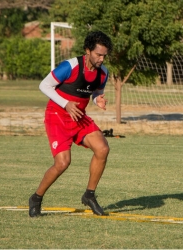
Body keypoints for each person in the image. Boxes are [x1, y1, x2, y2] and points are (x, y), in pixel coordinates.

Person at [29, 31, 113, 217]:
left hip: (78, 116)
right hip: (57, 116)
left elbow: (96, 91)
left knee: (102, 149)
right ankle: (36, 197)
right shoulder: (71, 66)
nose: (101, 59)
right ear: (87, 50)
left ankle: (89, 195)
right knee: (63, 163)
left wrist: (98, 99)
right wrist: (66, 104)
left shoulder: (103, 73)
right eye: (98, 54)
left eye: (104, 55)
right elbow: (44, 85)